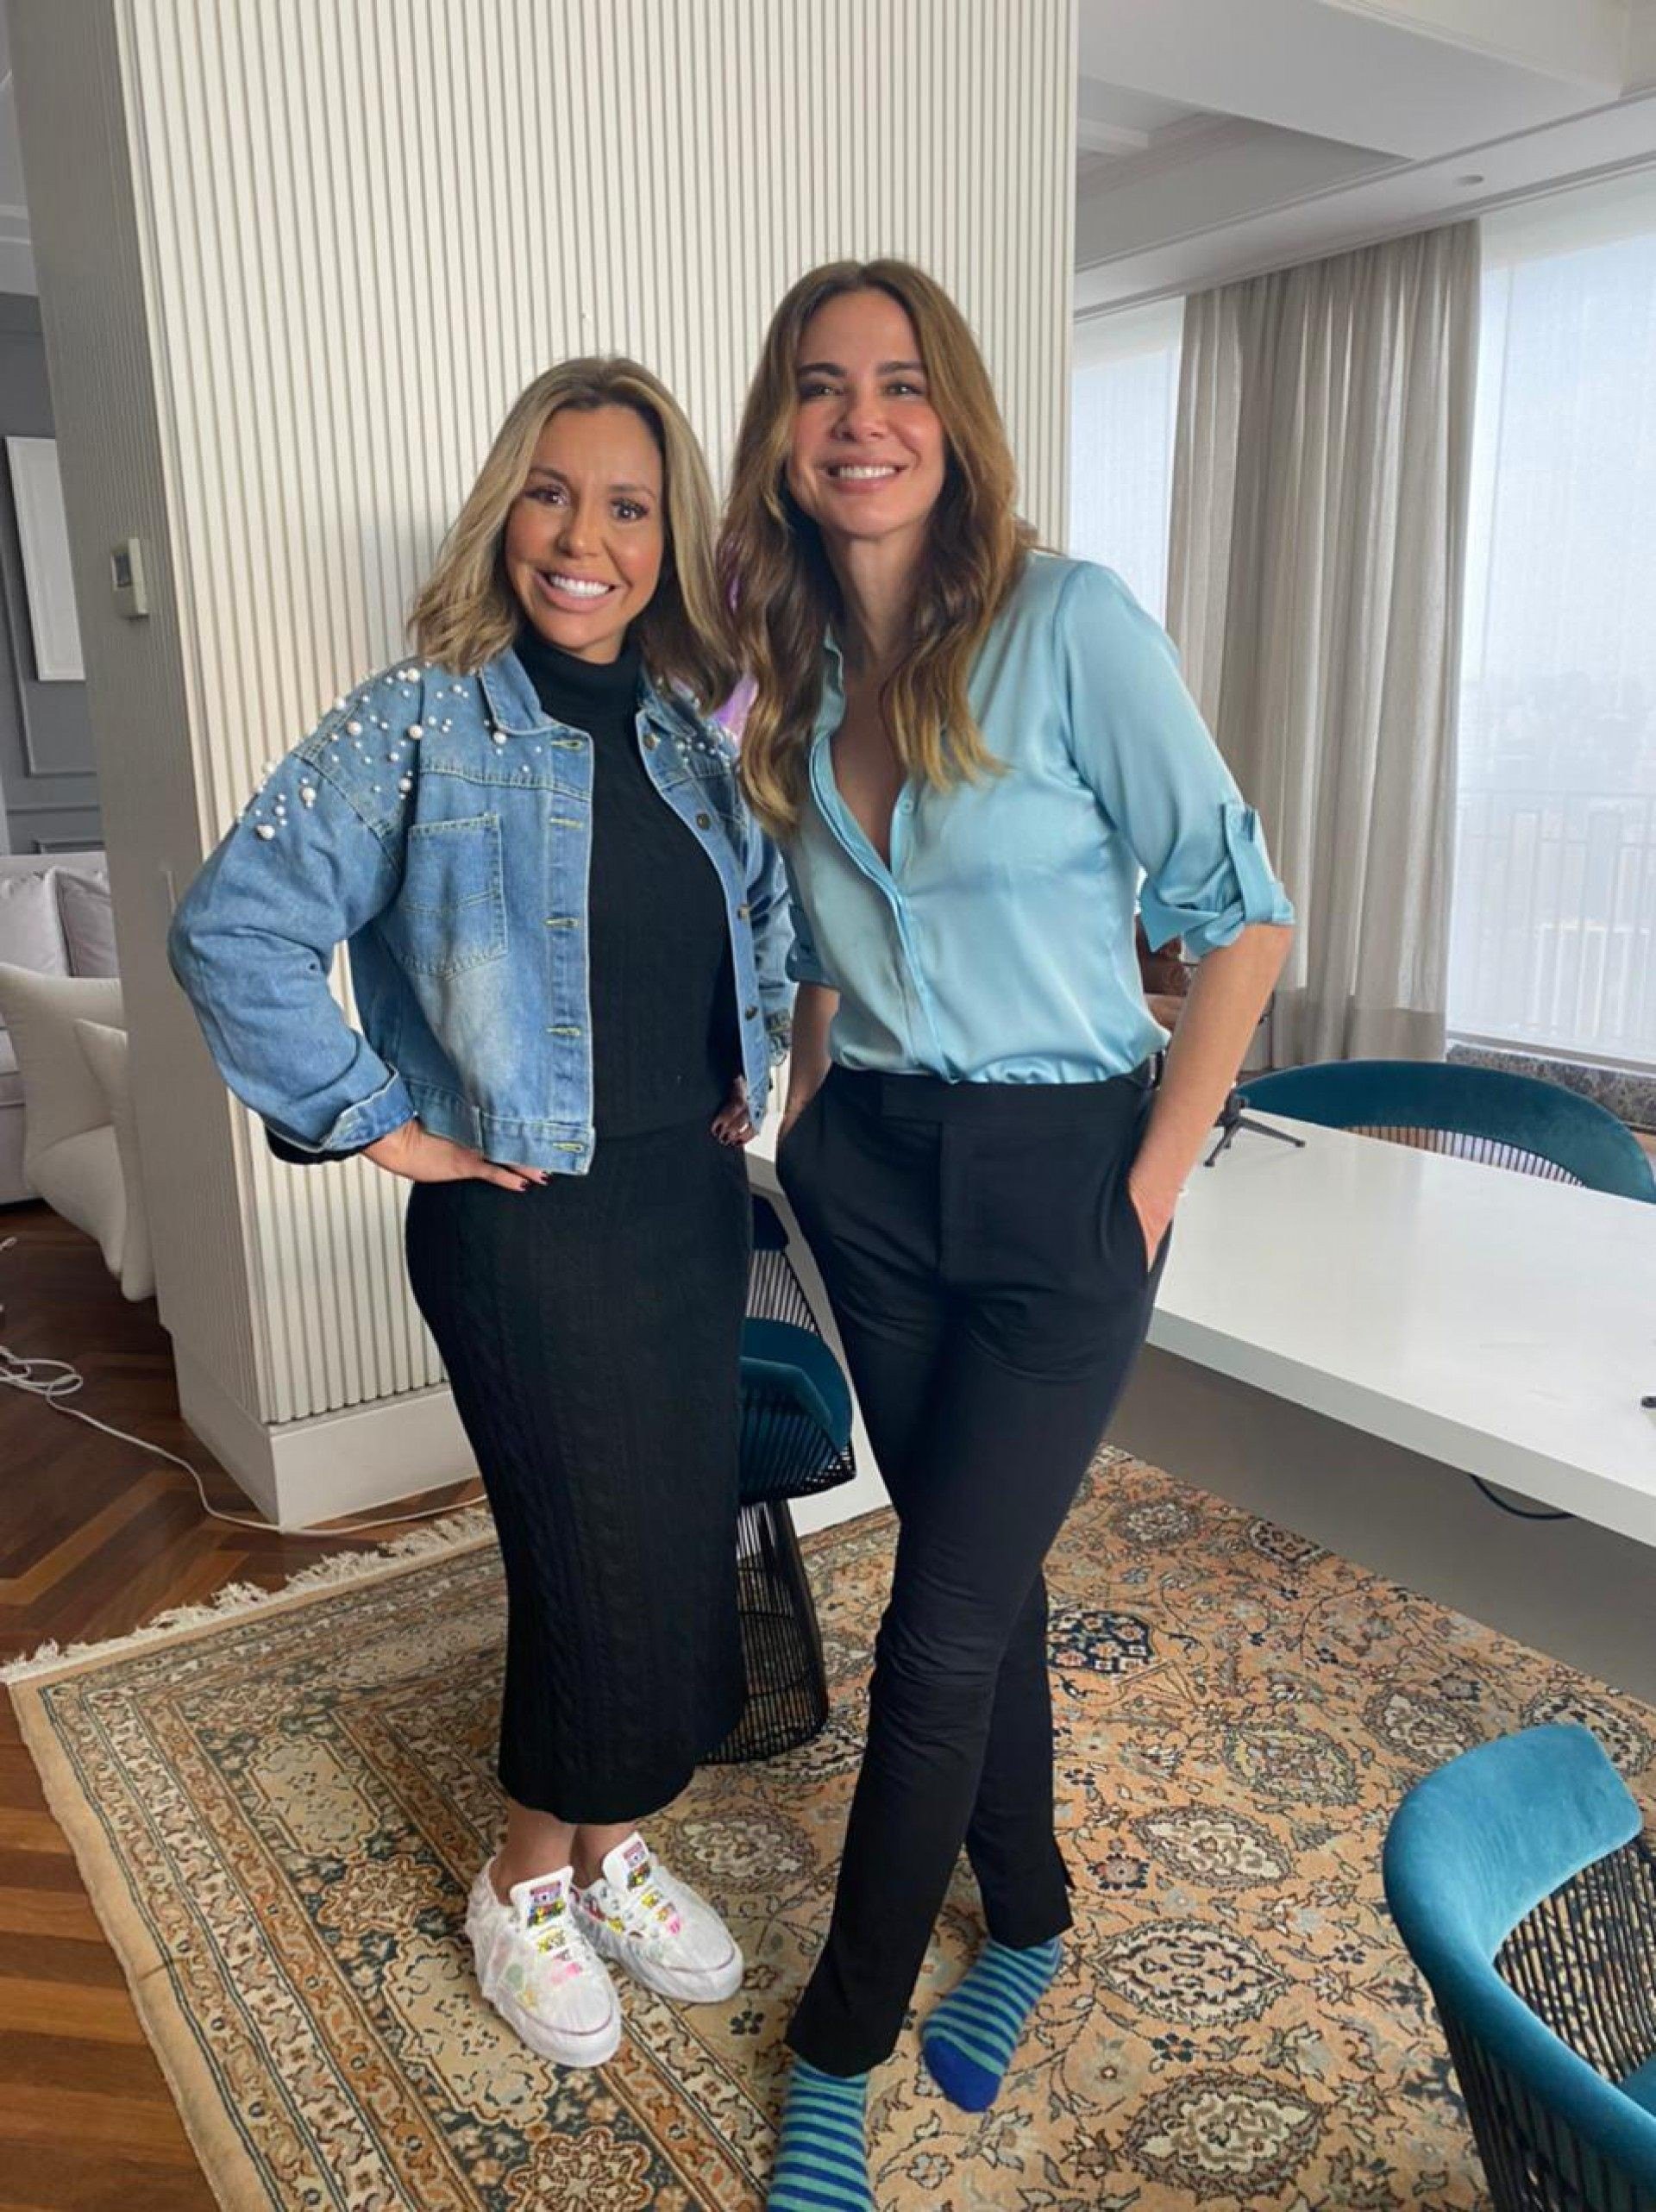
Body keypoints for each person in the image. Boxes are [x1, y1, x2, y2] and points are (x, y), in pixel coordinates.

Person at [718, 261, 1295, 2209]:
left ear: (952, 419)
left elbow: (1242, 911)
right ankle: (1026, 1912)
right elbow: (807, 918)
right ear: (785, 435)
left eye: (898, 383)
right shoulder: (786, 663)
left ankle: (838, 2042)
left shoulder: (1071, 625)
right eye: (821, 387)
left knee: (937, 1622)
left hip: (1069, 1181)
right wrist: (805, 1094)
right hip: (874, 1175)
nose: (860, 420)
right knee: (990, 1568)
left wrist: (1153, 1177)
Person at [169, 356, 793, 2070]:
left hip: (686, 1206)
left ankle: (616, 1847)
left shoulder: (689, 734)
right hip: (528, 1226)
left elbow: (762, 909)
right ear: (503, 507)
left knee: (673, 1543)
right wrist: (384, 1125)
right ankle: (523, 1880)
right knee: (588, 1567)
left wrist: (751, 1058)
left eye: (626, 505)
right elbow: (234, 927)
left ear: (669, 537)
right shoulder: (420, 721)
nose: (583, 538)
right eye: (550, 492)